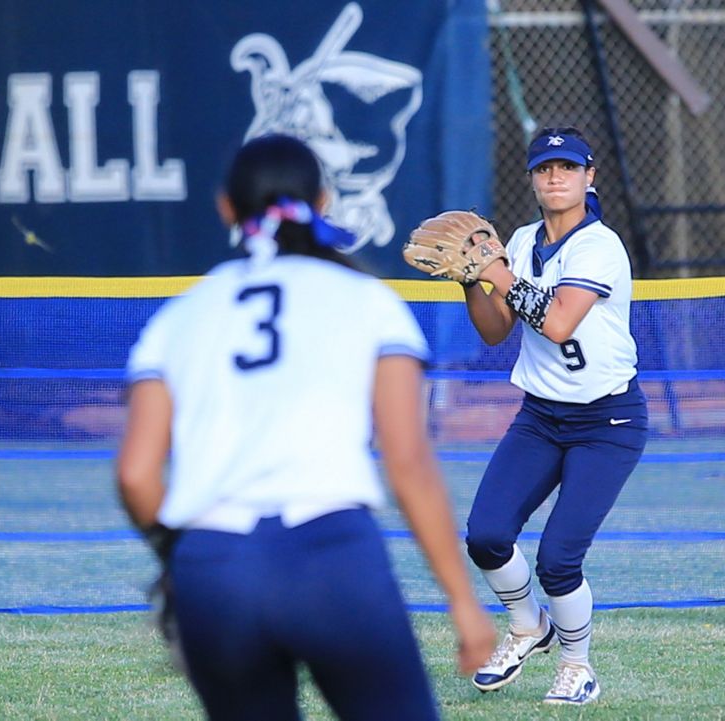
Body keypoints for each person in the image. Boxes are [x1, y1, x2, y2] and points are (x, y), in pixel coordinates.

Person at [116, 134, 494, 720]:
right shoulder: (366, 301)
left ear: (225, 208)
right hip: (330, 557)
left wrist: (179, 557)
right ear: (322, 202)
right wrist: (462, 603)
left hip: (215, 569)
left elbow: (137, 476)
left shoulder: (181, 314)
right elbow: (408, 464)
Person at [459, 126, 648, 704]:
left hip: (607, 422)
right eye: (544, 169)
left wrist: (499, 276)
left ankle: (577, 666)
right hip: (541, 415)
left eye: (567, 167)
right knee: (485, 536)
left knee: (559, 559)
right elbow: (495, 331)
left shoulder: (600, 246)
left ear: (590, 178)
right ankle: (527, 626)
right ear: (533, 180)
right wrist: (471, 279)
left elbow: (559, 322)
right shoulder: (518, 242)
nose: (555, 177)